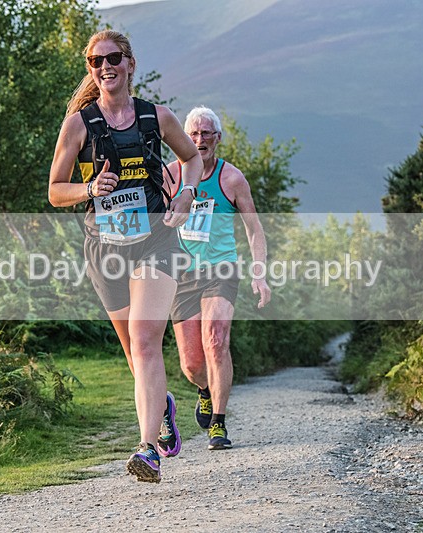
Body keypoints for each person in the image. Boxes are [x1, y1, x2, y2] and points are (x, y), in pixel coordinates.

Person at [49, 30, 203, 482]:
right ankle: (164, 405)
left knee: (145, 339)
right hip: (105, 247)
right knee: (134, 354)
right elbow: (55, 191)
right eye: (96, 62)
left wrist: (188, 194)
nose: (105, 67)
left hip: (156, 239)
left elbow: (191, 159)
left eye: (113, 58)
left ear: (130, 63)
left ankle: (146, 449)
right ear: (90, 70)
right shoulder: (79, 124)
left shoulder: (158, 117)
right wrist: (88, 189)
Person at [165, 106, 271, 450]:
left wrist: (259, 272)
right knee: (192, 363)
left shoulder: (232, 179)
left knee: (215, 339)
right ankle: (205, 390)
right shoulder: (170, 176)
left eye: (206, 134)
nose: (199, 140)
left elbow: (254, 230)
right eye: (192, 134)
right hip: (182, 275)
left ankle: (218, 424)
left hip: (221, 269)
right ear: (183, 138)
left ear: (218, 139)